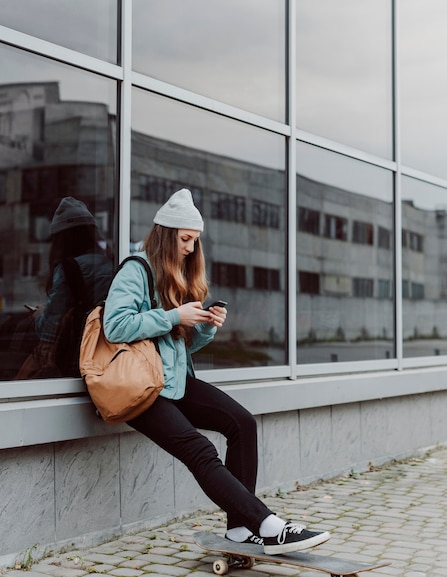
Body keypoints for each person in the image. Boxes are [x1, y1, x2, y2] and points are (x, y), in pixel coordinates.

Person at [103, 188, 330, 555]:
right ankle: (267, 524)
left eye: (195, 241)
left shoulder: (173, 275)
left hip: (173, 381)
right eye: (186, 239)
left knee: (242, 422)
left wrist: (204, 325)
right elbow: (115, 326)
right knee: (200, 450)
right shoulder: (136, 268)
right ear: (166, 234)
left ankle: (239, 530)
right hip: (140, 390)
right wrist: (176, 315)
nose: (191, 248)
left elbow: (178, 346)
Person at [16, 197, 114, 379]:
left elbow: (49, 329)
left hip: (76, 357)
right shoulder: (111, 263)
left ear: (61, 240)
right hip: (107, 356)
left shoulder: (70, 269)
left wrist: (38, 316)